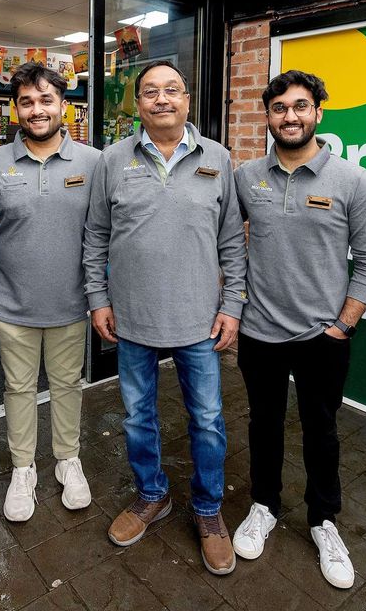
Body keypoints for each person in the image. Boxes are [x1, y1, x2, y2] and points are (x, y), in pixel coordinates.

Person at [83, 60, 247, 576]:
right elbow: (95, 237)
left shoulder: (218, 159)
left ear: (187, 100)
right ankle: (152, 496)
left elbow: (231, 242)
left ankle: (208, 509)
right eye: (150, 92)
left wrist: (232, 305)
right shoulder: (112, 160)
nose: (161, 100)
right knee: (137, 417)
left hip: (199, 319)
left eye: (171, 90)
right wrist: (98, 299)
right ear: (138, 103)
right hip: (132, 319)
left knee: (207, 420)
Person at [230, 71, 366, 589]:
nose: (290, 116)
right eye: (278, 108)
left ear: (318, 112)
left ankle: (323, 520)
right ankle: (264, 506)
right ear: (268, 116)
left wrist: (343, 326)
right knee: (263, 424)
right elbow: (226, 244)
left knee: (321, 429)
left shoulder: (352, 180)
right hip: (260, 332)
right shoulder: (247, 176)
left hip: (323, 336)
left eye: (300, 106)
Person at [0, 62, 101, 522]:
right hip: (10, 303)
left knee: (67, 385)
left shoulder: (93, 162)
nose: (37, 110)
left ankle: (68, 459)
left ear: (64, 105)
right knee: (18, 388)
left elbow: (104, 229)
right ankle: (23, 469)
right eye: (27, 102)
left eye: (46, 100)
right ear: (15, 109)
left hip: (71, 302)